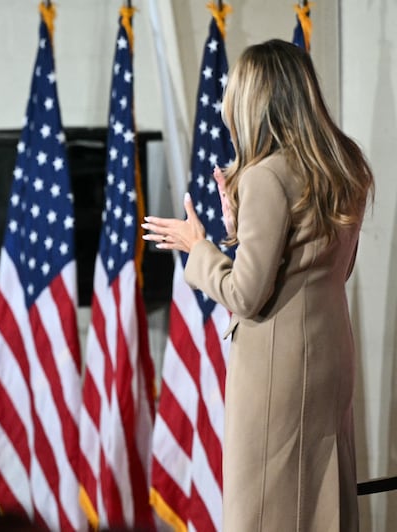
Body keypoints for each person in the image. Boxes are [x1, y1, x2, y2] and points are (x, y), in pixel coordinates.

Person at [142, 39, 373, 531]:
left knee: (267, 509)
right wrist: (237, 230)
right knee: (318, 499)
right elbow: (325, 266)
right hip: (329, 353)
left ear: (255, 100)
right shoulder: (344, 162)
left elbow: (246, 295)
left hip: (276, 369)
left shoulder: (267, 175)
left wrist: (196, 246)